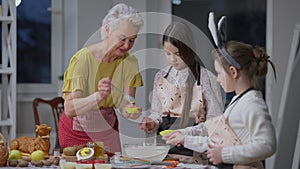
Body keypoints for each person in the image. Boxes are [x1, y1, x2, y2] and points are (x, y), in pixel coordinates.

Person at [163, 40, 277, 168]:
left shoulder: (252, 104)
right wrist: (184, 134)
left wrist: (224, 154)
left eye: (219, 73)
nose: (217, 79)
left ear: (233, 72)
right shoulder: (239, 100)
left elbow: (267, 145)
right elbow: (214, 133)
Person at [58, 3, 144, 153]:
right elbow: (70, 109)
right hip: (77, 131)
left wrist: (132, 111)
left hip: (108, 130)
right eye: (122, 38)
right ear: (107, 29)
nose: (127, 45)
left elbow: (126, 104)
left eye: (132, 40)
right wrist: (98, 96)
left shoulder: (130, 63)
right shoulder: (83, 59)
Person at [139, 21, 223, 162]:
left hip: (194, 157)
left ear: (189, 49)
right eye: (167, 53)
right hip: (163, 156)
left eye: (178, 54)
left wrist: (186, 133)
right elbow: (157, 113)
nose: (172, 59)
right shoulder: (161, 76)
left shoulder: (207, 78)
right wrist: (152, 123)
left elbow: (215, 122)